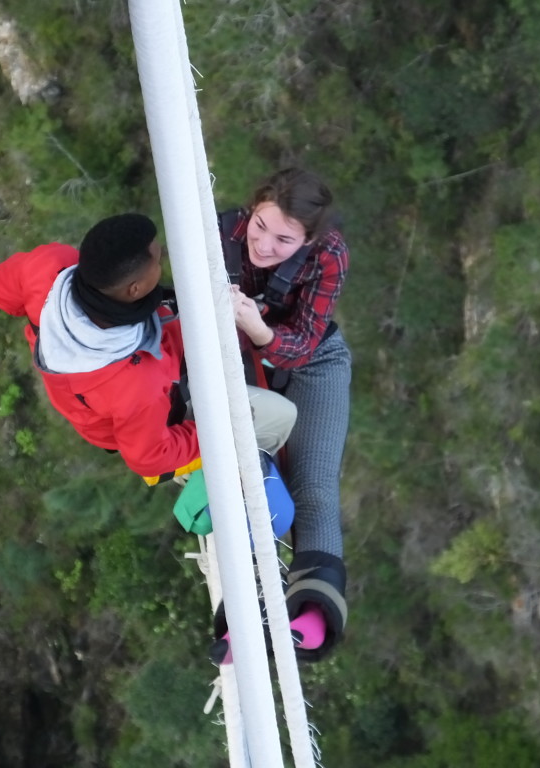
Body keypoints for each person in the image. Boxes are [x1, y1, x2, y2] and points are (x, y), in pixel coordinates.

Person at [0, 213, 297, 485]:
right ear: (133, 289)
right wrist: (214, 432)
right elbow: (149, 458)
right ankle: (237, 474)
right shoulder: (138, 386)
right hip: (154, 423)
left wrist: (44, 318)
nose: (162, 265)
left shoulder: (48, 268)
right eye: (157, 261)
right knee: (281, 415)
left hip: (108, 402)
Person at [219, 167, 352, 661]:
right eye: (260, 227)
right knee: (254, 481)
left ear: (310, 239)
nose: (265, 245)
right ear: (251, 210)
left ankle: (312, 617)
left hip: (311, 362)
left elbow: (303, 342)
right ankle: (244, 617)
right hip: (239, 359)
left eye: (283, 239)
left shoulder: (329, 256)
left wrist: (259, 328)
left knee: (313, 488)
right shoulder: (221, 231)